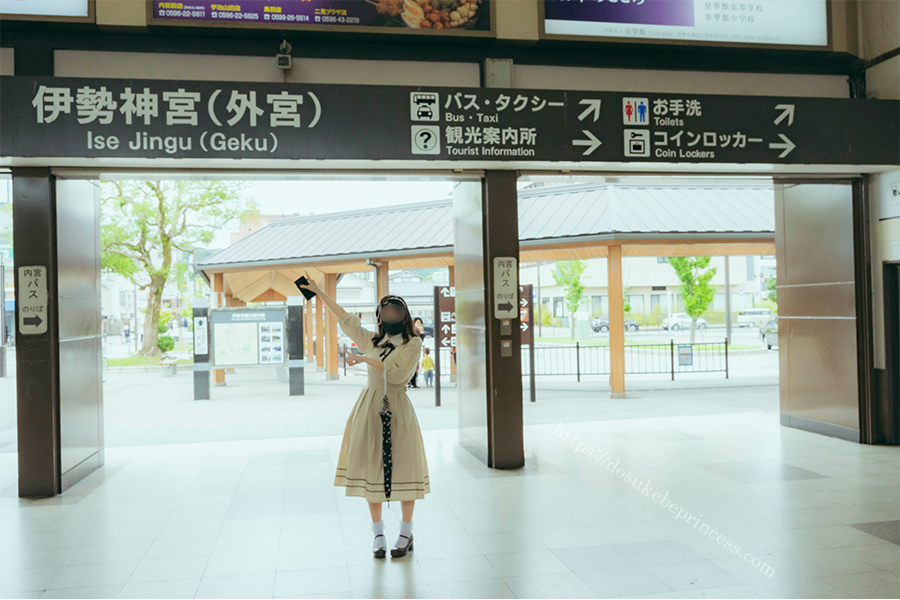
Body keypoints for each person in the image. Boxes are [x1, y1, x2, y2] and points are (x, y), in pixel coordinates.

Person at [296, 273, 430, 559]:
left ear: (403, 315)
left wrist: (365, 358)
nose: (390, 314)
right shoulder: (371, 338)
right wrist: (319, 291)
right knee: (373, 468)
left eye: (395, 310)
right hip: (370, 408)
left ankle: (406, 532)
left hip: (398, 408)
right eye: (385, 310)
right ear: (380, 316)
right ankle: (378, 532)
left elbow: (397, 374)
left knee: (405, 466)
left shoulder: (413, 344)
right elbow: (345, 318)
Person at [408, 317, 426, 389]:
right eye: (417, 322)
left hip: (415, 352)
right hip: (411, 352)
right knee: (412, 368)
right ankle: (411, 382)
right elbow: (419, 341)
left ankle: (413, 382)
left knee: (415, 367)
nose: (419, 324)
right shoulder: (413, 331)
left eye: (420, 323)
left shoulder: (417, 331)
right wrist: (422, 332)